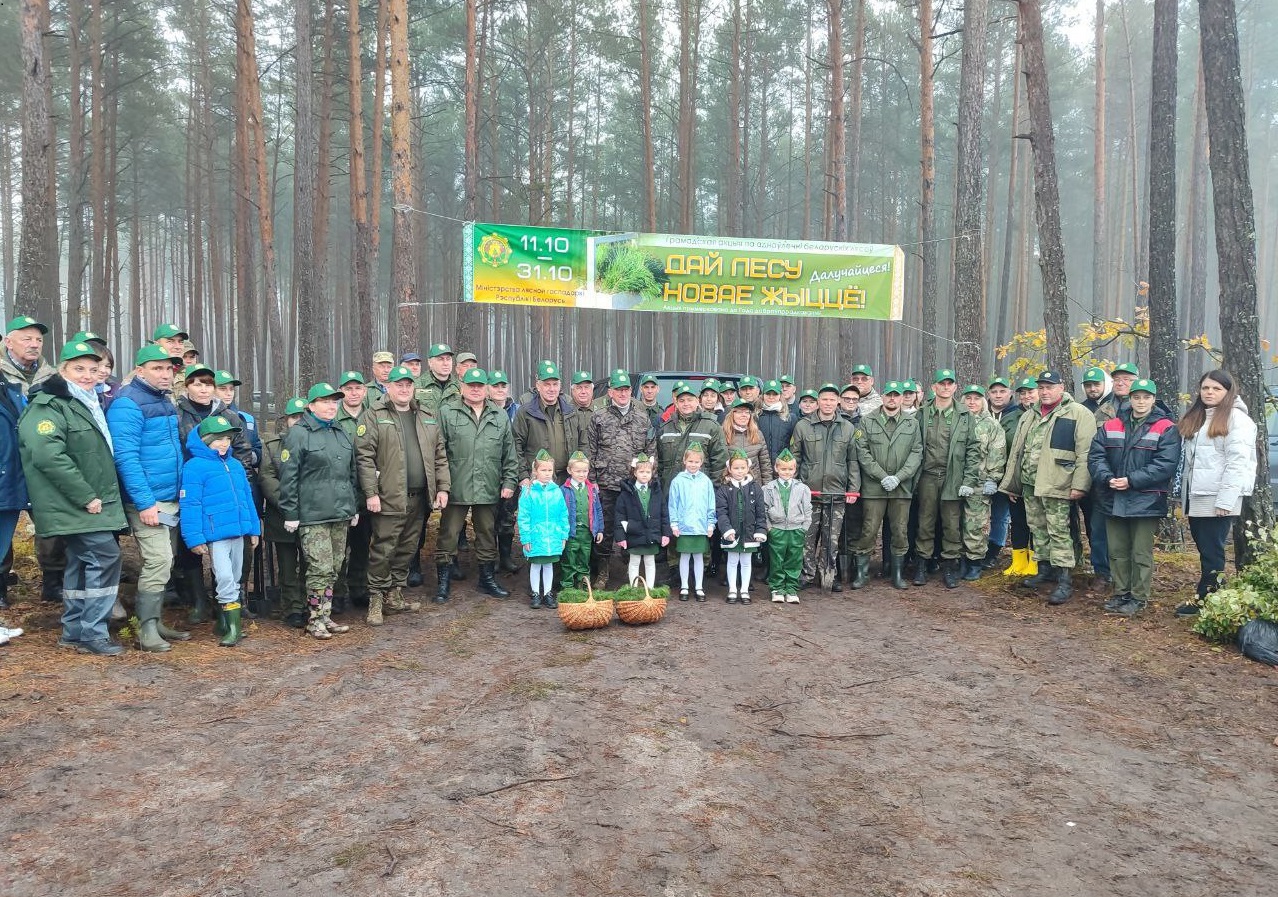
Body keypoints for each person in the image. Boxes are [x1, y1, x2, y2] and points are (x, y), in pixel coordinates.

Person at [19, 341, 128, 655]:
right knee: (106, 558)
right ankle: (94, 634)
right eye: (78, 368)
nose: (87, 375)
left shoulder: (86, 401)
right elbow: (47, 456)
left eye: (93, 369)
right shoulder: (48, 405)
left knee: (81, 562)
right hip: (75, 503)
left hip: (88, 503)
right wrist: (86, 496)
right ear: (62, 370)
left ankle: (75, 631)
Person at [106, 344, 191, 650]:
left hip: (169, 498)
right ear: (140, 371)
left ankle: (156, 621)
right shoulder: (127, 404)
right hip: (149, 501)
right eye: (157, 368)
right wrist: (144, 503)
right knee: (159, 560)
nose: (165, 374)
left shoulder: (165, 400)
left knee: (163, 564)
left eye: (169, 368)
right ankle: (146, 629)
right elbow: (126, 457)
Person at [356, 365, 450, 625]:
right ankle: (375, 599)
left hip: (419, 497)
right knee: (383, 549)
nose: (404, 389)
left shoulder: (426, 415)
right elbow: (364, 458)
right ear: (388, 387)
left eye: (408, 385)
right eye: (399, 384)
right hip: (388, 496)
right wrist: (371, 493)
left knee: (408, 548)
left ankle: (395, 596)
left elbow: (439, 455)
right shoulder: (375, 414)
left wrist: (442, 487)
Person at [999, 370, 1097, 606]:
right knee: (1038, 528)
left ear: (1061, 388)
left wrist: (1080, 485)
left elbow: (1085, 453)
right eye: (1041, 387)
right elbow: (1017, 452)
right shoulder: (1029, 415)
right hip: (1031, 484)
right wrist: (1014, 483)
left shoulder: (1078, 414)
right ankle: (1044, 569)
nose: (1044, 392)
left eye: (1049, 387)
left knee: (1059, 531)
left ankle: (1065, 578)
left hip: (1058, 483)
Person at [1087, 379, 1181, 616]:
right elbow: (1096, 456)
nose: (1140, 402)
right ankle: (1121, 593)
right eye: (1136, 397)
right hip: (1112, 496)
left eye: (1146, 397)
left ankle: (1138, 597)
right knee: (1117, 550)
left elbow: (1165, 465)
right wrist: (1107, 478)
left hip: (1145, 500)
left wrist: (1132, 480)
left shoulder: (1166, 427)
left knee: (1141, 552)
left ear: (1153, 399)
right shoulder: (1111, 425)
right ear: (1130, 398)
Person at [279, 382, 360, 640]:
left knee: (335, 568)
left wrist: (353, 507)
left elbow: (351, 473)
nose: (330, 406)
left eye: (334, 402)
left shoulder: (341, 431)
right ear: (311, 406)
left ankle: (325, 616)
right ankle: (314, 619)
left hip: (340, 513)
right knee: (319, 568)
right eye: (325, 402)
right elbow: (288, 477)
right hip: (313, 515)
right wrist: (291, 513)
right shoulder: (300, 434)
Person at [1175, 369, 1258, 616]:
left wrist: (1226, 499)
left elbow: (1238, 463)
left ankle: (1209, 600)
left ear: (1228, 392)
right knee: (1204, 548)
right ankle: (1209, 595)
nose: (1210, 392)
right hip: (1197, 495)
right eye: (1206, 388)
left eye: (1216, 389)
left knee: (1212, 551)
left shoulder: (1237, 420)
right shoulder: (1199, 416)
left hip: (1218, 497)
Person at [434, 368, 518, 602]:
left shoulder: (499, 415)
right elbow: (438, 452)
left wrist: (509, 481)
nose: (475, 389)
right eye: (471, 385)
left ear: (487, 388)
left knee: (486, 534)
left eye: (480, 385)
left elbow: (509, 453)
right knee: (448, 535)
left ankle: (487, 579)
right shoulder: (448, 413)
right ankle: (443, 581)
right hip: (456, 486)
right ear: (462, 386)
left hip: (488, 485)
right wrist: (441, 486)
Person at [180, 416, 261, 647]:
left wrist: (254, 529)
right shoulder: (194, 467)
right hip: (216, 534)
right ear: (205, 440)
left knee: (235, 577)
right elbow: (190, 504)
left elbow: (247, 498)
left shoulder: (235, 465)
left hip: (238, 531)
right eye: (218, 439)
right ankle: (234, 627)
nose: (224, 443)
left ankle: (225, 623)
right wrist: (194, 537)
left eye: (227, 438)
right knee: (224, 576)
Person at [2, 315, 63, 604]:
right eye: (26, 338)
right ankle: (1, 584)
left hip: (42, 463)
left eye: (38, 339)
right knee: (3, 523)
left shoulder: (52, 378)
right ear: (7, 341)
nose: (34, 344)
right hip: (7, 461)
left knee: (51, 525)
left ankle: (53, 582)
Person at [912, 369, 981, 589]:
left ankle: (950, 567)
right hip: (927, 478)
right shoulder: (922, 413)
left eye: (949, 384)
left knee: (952, 525)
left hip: (953, 477)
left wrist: (969, 481)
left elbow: (973, 449)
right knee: (925, 523)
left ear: (955, 388)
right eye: (941, 384)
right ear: (934, 387)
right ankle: (921, 566)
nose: (945, 387)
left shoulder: (964, 415)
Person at [587, 370, 656, 588]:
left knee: (634, 527)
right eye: (618, 389)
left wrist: (646, 480)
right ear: (610, 393)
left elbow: (650, 450)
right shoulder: (599, 417)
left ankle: (632, 572)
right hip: (606, 484)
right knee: (605, 530)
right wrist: (592, 480)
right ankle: (603, 572)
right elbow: (591, 450)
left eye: (626, 389)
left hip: (632, 486)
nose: (623, 393)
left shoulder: (642, 418)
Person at [851, 381, 921, 590]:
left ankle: (897, 573)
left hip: (901, 488)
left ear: (902, 398)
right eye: (889, 395)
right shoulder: (868, 421)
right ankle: (862, 573)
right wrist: (882, 476)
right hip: (874, 488)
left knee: (900, 530)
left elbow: (916, 453)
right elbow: (862, 452)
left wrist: (899, 477)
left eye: (896, 395)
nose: (892, 399)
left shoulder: (911, 423)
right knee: (869, 530)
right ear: (882, 397)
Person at [790, 383, 859, 592]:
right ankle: (807, 574)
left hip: (836, 494)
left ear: (837, 402)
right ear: (817, 401)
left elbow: (853, 461)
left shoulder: (847, 428)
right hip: (808, 493)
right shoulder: (803, 426)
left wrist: (853, 489)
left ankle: (828, 575)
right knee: (807, 538)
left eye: (832, 399)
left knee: (832, 539)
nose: (828, 403)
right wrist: (793, 486)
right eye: (824, 399)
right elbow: (795, 457)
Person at [261, 397, 308, 627]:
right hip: (282, 516)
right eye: (294, 417)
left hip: (311, 514)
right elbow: (267, 478)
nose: (298, 421)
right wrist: (289, 505)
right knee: (288, 565)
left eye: (303, 416)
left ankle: (311, 604)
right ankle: (293, 608)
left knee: (312, 564)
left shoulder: (315, 442)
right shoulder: (273, 446)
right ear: (286, 421)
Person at [959, 386, 1007, 580]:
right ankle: (959, 559)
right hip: (956, 480)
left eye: (976, 399)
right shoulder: (958, 421)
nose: (972, 402)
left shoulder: (991, 425)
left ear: (983, 401)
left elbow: (998, 453)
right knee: (956, 522)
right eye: (968, 398)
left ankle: (974, 562)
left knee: (975, 524)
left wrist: (993, 479)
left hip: (979, 482)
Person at [513, 361, 589, 485]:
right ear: (538, 386)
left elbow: (583, 444)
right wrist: (523, 476)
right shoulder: (526, 413)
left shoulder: (572, 412)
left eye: (555, 384)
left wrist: (580, 473)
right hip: (537, 481)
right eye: (547, 384)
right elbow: (516, 446)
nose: (552, 389)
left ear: (560, 386)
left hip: (568, 481)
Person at [335, 370, 373, 609]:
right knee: (339, 546)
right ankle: (337, 593)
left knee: (362, 544)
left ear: (364, 390)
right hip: (340, 494)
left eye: (357, 388)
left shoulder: (372, 417)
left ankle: (359, 587)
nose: (353, 393)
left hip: (366, 492)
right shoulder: (333, 418)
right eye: (348, 389)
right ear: (341, 393)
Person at [517, 450, 570, 609]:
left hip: (552, 535)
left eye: (549, 470)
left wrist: (563, 535)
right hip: (536, 536)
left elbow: (563, 515)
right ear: (535, 471)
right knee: (536, 564)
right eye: (543, 470)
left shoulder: (557, 492)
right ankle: (535, 592)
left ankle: (547, 593)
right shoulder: (528, 492)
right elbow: (524, 517)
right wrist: (525, 538)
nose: (547, 474)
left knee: (548, 565)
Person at [716, 449, 768, 604]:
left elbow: (760, 512)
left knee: (746, 561)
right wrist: (726, 530)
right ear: (729, 469)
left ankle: (744, 590)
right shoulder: (724, 489)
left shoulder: (755, 488)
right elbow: (721, 512)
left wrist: (760, 530)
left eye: (742, 468)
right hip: (732, 532)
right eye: (736, 468)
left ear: (748, 468)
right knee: (731, 561)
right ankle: (732, 590)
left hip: (749, 532)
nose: (739, 471)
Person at [1000, 378, 1039, 576]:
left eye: (1030, 392)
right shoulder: (1010, 418)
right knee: (1018, 521)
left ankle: (1034, 562)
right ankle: (1018, 561)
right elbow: (1005, 452)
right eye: (1022, 393)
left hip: (1038, 481)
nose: (1026, 396)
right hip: (1016, 480)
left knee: (1036, 523)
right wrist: (1008, 483)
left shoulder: (1045, 416)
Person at [614, 453, 670, 589]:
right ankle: (634, 589)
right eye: (641, 471)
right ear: (634, 472)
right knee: (634, 561)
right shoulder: (626, 493)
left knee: (650, 561)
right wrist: (621, 536)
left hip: (652, 533)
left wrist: (665, 533)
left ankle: (649, 589)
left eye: (648, 472)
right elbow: (619, 515)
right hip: (634, 533)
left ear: (652, 472)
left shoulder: (656, 491)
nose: (644, 475)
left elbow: (664, 513)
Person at [669, 443, 716, 601]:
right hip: (684, 526)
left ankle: (699, 587)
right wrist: (674, 524)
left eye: (696, 462)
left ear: (701, 463)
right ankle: (684, 586)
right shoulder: (678, 481)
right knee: (684, 556)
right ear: (684, 461)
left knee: (698, 556)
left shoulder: (706, 481)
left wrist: (710, 524)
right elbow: (673, 504)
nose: (693, 465)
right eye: (690, 461)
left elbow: (711, 504)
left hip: (700, 526)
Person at [763, 448, 811, 604]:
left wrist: (804, 527)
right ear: (776, 468)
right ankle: (777, 589)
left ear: (795, 469)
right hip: (777, 530)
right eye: (783, 469)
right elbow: (763, 509)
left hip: (796, 529)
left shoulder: (802, 488)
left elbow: (807, 508)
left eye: (790, 469)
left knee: (794, 559)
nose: (786, 472)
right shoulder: (769, 488)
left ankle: (791, 589)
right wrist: (769, 528)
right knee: (776, 560)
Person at [559, 450, 604, 596]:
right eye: (578, 471)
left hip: (587, 533)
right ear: (569, 471)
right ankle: (568, 588)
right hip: (570, 533)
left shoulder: (592, 489)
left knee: (584, 561)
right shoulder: (563, 490)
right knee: (569, 561)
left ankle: (584, 589)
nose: (582, 474)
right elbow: (559, 513)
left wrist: (600, 529)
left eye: (585, 471)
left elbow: (598, 510)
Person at [758, 380, 796, 465]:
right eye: (768, 394)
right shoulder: (755, 416)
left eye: (775, 394)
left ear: (780, 396)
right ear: (763, 395)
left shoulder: (790, 418)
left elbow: (794, 446)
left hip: (782, 467)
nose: (771, 397)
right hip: (762, 466)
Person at [415, 344, 458, 414]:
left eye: (448, 359)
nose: (445, 363)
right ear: (430, 362)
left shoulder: (459, 386)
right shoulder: (417, 385)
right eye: (440, 359)